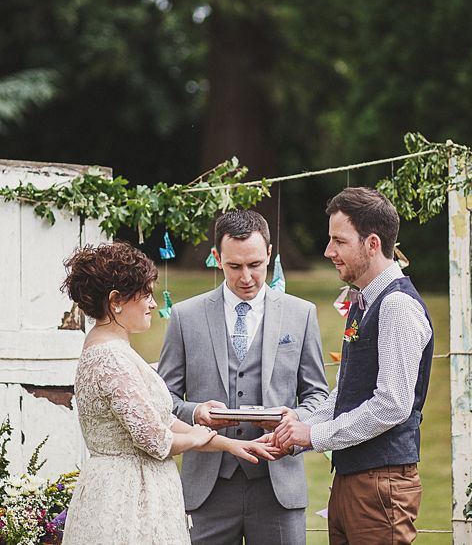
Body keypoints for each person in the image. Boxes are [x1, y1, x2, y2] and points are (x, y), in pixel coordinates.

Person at [60, 242, 274, 545]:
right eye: (145, 294)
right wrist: (199, 436)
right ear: (116, 301)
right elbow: (157, 440)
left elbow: (161, 420)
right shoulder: (110, 357)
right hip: (126, 498)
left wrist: (228, 444)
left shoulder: (117, 350)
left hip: (140, 488)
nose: (151, 304)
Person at [157, 209, 328, 545]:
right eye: (234, 266)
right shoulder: (184, 316)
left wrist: (294, 420)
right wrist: (195, 413)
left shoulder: (301, 314)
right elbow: (163, 399)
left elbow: (318, 396)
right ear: (217, 258)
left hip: (278, 487)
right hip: (208, 488)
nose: (246, 277)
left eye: (255, 265)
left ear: (269, 253)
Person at [274, 187, 434, 544]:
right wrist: (300, 425)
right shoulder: (364, 301)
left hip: (382, 485)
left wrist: (315, 436)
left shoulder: (396, 307)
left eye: (339, 241)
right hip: (355, 481)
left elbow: (392, 404)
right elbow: (348, 392)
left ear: (372, 243)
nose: (328, 252)